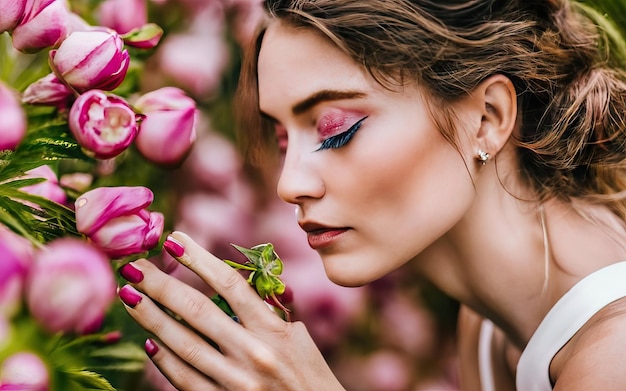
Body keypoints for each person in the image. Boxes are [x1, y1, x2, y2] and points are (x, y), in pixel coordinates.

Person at [116, 0, 626, 389]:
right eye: (280, 138)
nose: (289, 184)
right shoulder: (491, 324)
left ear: (488, 118)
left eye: (337, 130)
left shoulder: (613, 358)